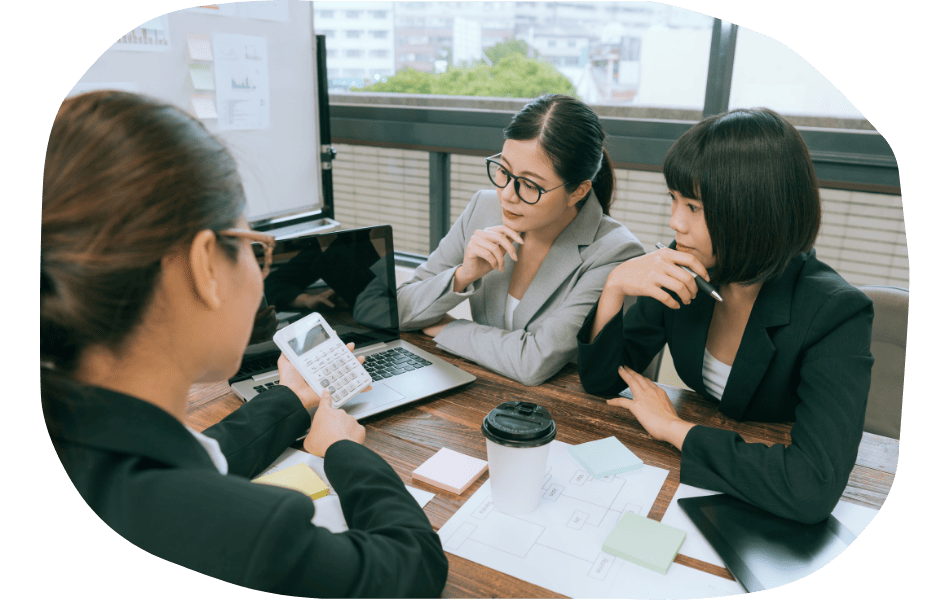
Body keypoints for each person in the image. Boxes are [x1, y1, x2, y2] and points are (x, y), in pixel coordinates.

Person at [40, 91, 447, 597]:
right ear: (205, 264)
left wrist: (294, 397)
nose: (260, 274)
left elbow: (195, 457)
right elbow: (411, 568)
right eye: (257, 249)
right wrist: (344, 452)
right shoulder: (243, 533)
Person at [577, 108, 874, 524]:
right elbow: (602, 381)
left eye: (694, 206)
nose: (674, 221)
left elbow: (812, 487)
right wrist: (614, 288)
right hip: (692, 486)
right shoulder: (687, 268)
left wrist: (674, 429)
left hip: (763, 506)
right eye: (674, 200)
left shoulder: (836, 313)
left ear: (751, 211)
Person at [397, 94, 645, 386]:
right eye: (504, 171)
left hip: (559, 413)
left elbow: (534, 362)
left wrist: (448, 329)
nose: (507, 195)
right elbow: (399, 308)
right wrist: (463, 276)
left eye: (530, 185)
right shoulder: (483, 207)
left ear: (578, 190)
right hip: (480, 390)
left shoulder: (614, 251)